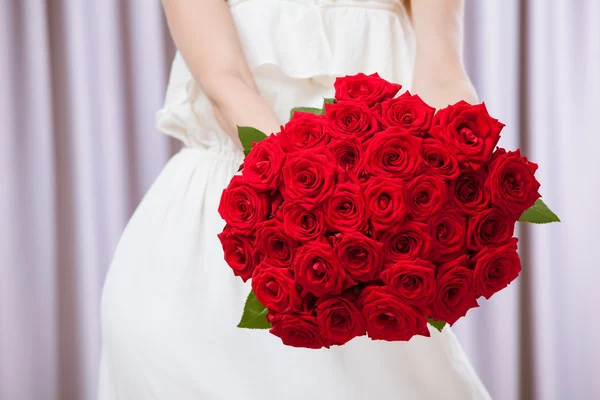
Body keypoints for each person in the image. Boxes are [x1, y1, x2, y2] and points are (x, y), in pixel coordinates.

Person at [98, 0, 491, 398]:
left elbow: (443, 76)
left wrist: (462, 190)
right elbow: (225, 84)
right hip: (216, 234)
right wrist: (315, 205)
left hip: (373, 241)